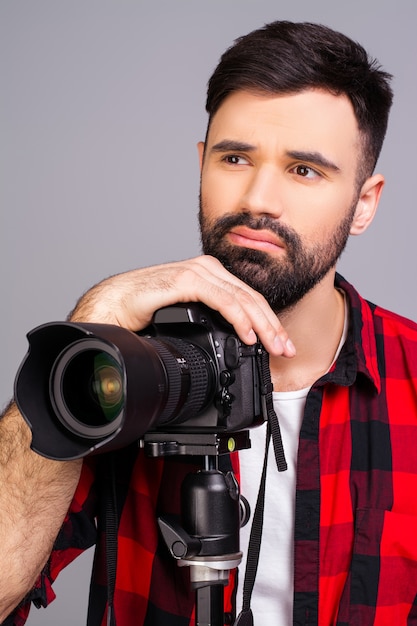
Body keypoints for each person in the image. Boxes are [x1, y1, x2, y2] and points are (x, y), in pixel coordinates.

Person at [3, 18, 417, 626]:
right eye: (234, 157)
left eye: (304, 170)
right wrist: (95, 321)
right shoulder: (125, 372)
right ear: (201, 164)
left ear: (364, 203)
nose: (257, 198)